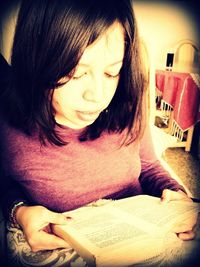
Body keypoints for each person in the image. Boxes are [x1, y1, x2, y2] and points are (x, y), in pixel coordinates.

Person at [0, 0, 198, 266]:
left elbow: (149, 166)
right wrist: (19, 211)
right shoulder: (9, 122)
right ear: (37, 62)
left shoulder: (126, 104)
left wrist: (176, 196)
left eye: (111, 73)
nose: (97, 96)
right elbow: (5, 180)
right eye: (75, 74)